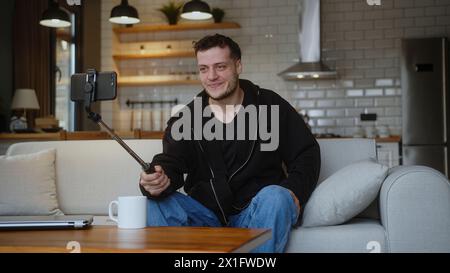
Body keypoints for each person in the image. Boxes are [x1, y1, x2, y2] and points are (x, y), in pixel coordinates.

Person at [139, 34, 320, 253]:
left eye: (220, 67)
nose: (212, 76)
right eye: (204, 69)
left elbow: (306, 153)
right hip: (206, 217)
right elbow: (172, 162)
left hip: (256, 214)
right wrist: (158, 179)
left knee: (276, 196)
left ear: (238, 65)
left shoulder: (270, 106)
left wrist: (294, 190)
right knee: (155, 204)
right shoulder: (186, 118)